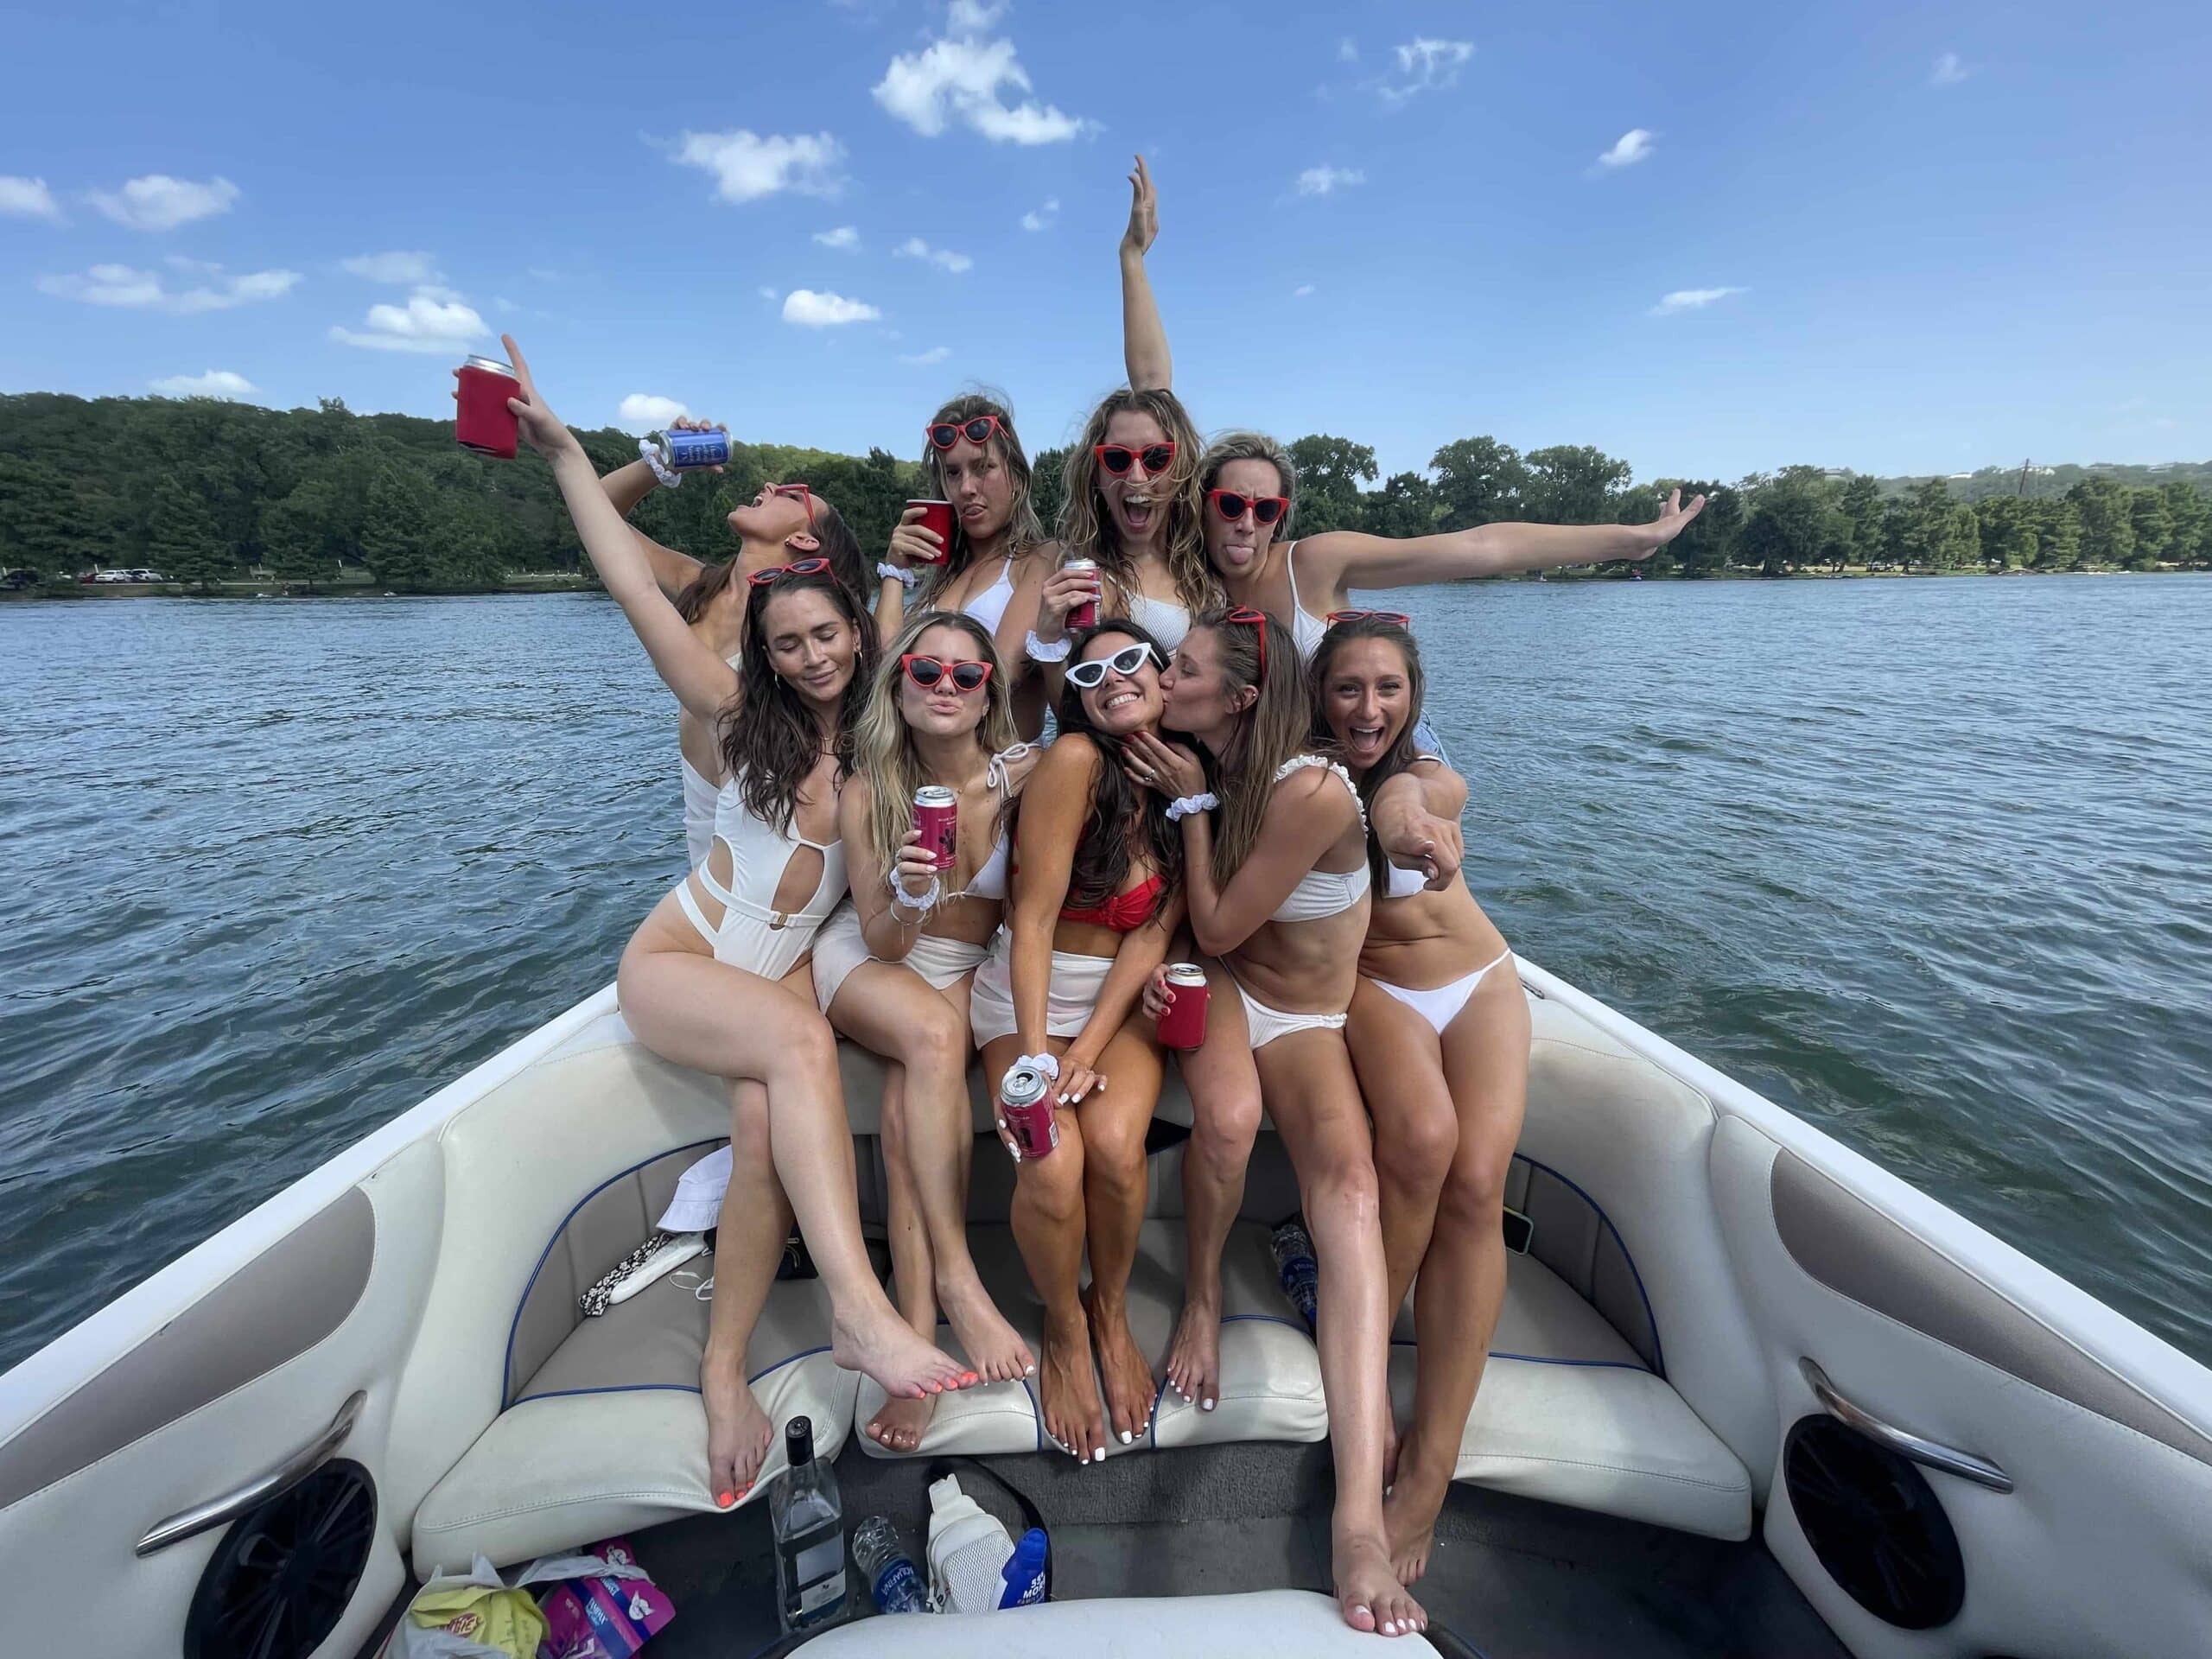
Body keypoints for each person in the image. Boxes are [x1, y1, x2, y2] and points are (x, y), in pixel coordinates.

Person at [498, 334, 977, 1507]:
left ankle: (725, 1375)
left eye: (827, 636)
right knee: (802, 1042)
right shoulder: (731, 717)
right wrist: (569, 452)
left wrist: (921, 882)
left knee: (765, 1129)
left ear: (862, 637)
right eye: (787, 643)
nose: (810, 657)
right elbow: (623, 576)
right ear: (760, 654)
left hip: (765, 993)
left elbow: (889, 933)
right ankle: (863, 1316)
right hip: (680, 963)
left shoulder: (876, 774)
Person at [1125, 608, 1427, 1640]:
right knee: (1227, 1119)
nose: (1167, 676)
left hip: (1304, 1012)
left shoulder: (1305, 786)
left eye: (1186, 667)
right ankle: (1202, 1297)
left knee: (1347, 1189)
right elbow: (1202, 938)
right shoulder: (1186, 752)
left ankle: (1355, 1524)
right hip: (1223, 978)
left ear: (1240, 698)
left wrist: (1193, 807)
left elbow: (1217, 913)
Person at [1115, 156, 1708, 656]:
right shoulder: (1195, 585)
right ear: (1204, 504)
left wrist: (1631, 540)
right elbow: (1154, 398)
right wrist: (1134, 260)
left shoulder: (1315, 564)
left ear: (1280, 515)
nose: (1248, 519)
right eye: (1230, 502)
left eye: (1266, 507)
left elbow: (1479, 548)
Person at [1312, 613, 1531, 1590]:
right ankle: (1370, 1402)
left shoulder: (1423, 769)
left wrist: (1409, 823)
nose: (1369, 708)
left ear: (1415, 697)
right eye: (1349, 688)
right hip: (1376, 987)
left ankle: (1433, 1460)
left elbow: (1416, 800)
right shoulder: (1305, 779)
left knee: (1480, 1183)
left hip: (1477, 977)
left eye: (1388, 689)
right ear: (1319, 695)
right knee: (1428, 1143)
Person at [814, 609, 1041, 1452]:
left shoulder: (1025, 772)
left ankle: (910, 1333)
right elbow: (880, 938)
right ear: (899, 688)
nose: (945, 686)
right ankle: (957, 1286)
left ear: (989, 695)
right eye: (926, 672)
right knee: (935, 1047)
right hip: (873, 960)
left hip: (960, 970)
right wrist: (911, 888)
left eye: (966, 675)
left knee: (922, 1107)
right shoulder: (869, 786)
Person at [972, 622, 1184, 1465]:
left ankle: (1111, 1307)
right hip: (1027, 992)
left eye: (1133, 660)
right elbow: (1027, 921)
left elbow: (1151, 936)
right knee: (1050, 1163)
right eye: (1091, 670)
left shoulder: (1188, 784)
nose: (1112, 676)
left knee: (1118, 1153)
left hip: (1117, 1004)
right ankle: (1064, 1328)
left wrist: (1089, 1046)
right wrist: (1036, 1057)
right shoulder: (1074, 764)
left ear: (1168, 681)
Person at [582, 414, 871, 865]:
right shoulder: (697, 586)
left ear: (803, 538)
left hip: (774, 834)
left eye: (792, 495)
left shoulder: (801, 636)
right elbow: (590, 511)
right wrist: (664, 461)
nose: (772, 486)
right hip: (704, 829)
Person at [876, 395, 1060, 737]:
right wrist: (894, 571)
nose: (967, 488)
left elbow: (999, 674)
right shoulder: (943, 578)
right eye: (953, 473)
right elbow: (883, 669)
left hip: (999, 774)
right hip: (921, 771)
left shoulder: (1040, 560)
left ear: (1016, 474)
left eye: (983, 468)